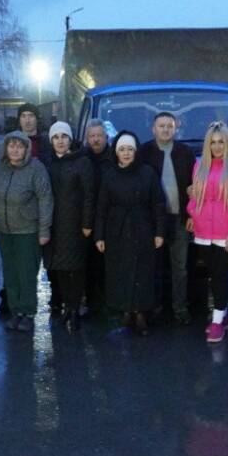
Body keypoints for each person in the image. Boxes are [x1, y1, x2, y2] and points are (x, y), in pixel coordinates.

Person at [95, 131, 165, 336]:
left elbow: (158, 204)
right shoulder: (109, 175)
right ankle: (126, 310)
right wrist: (99, 235)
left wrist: (159, 232)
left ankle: (141, 312)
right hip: (116, 229)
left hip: (143, 227)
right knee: (120, 272)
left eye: (130, 149)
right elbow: (101, 207)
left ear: (136, 151)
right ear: (116, 152)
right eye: (122, 149)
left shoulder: (147, 173)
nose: (126, 153)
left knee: (143, 272)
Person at [187, 122, 228, 344]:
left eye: (221, 142)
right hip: (203, 233)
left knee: (221, 276)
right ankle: (221, 316)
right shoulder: (199, 166)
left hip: (226, 234)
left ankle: (216, 322)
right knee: (212, 275)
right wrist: (193, 213)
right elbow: (194, 197)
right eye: (213, 142)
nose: (216, 146)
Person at [0, 130, 54, 333]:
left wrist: (44, 230)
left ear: (27, 149)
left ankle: (28, 312)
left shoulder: (36, 168)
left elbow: (45, 198)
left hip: (27, 230)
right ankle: (15, 310)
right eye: (12, 146)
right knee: (10, 273)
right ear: (6, 148)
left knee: (26, 273)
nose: (15, 150)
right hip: (4, 229)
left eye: (20, 146)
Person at [139, 111, 196, 325]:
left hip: (180, 219)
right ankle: (155, 307)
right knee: (154, 267)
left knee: (180, 268)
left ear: (175, 128)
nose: (165, 129)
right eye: (161, 126)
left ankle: (180, 308)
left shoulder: (186, 153)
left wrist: (191, 214)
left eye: (169, 126)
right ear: (153, 129)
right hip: (154, 222)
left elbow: (194, 187)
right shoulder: (144, 152)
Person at [45, 121, 95, 331]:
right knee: (60, 269)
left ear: (70, 139)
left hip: (76, 224)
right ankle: (67, 306)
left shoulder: (82, 162)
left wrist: (87, 223)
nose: (60, 141)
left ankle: (74, 308)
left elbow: (89, 194)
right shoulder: (48, 163)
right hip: (54, 224)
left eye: (64, 136)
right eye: (56, 137)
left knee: (76, 268)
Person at [82, 119, 114, 316]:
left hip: (110, 219)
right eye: (92, 136)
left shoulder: (114, 159)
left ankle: (110, 303)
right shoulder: (81, 159)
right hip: (87, 220)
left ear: (106, 137)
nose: (96, 140)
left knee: (109, 264)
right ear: (87, 138)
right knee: (89, 264)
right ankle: (92, 303)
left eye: (99, 136)